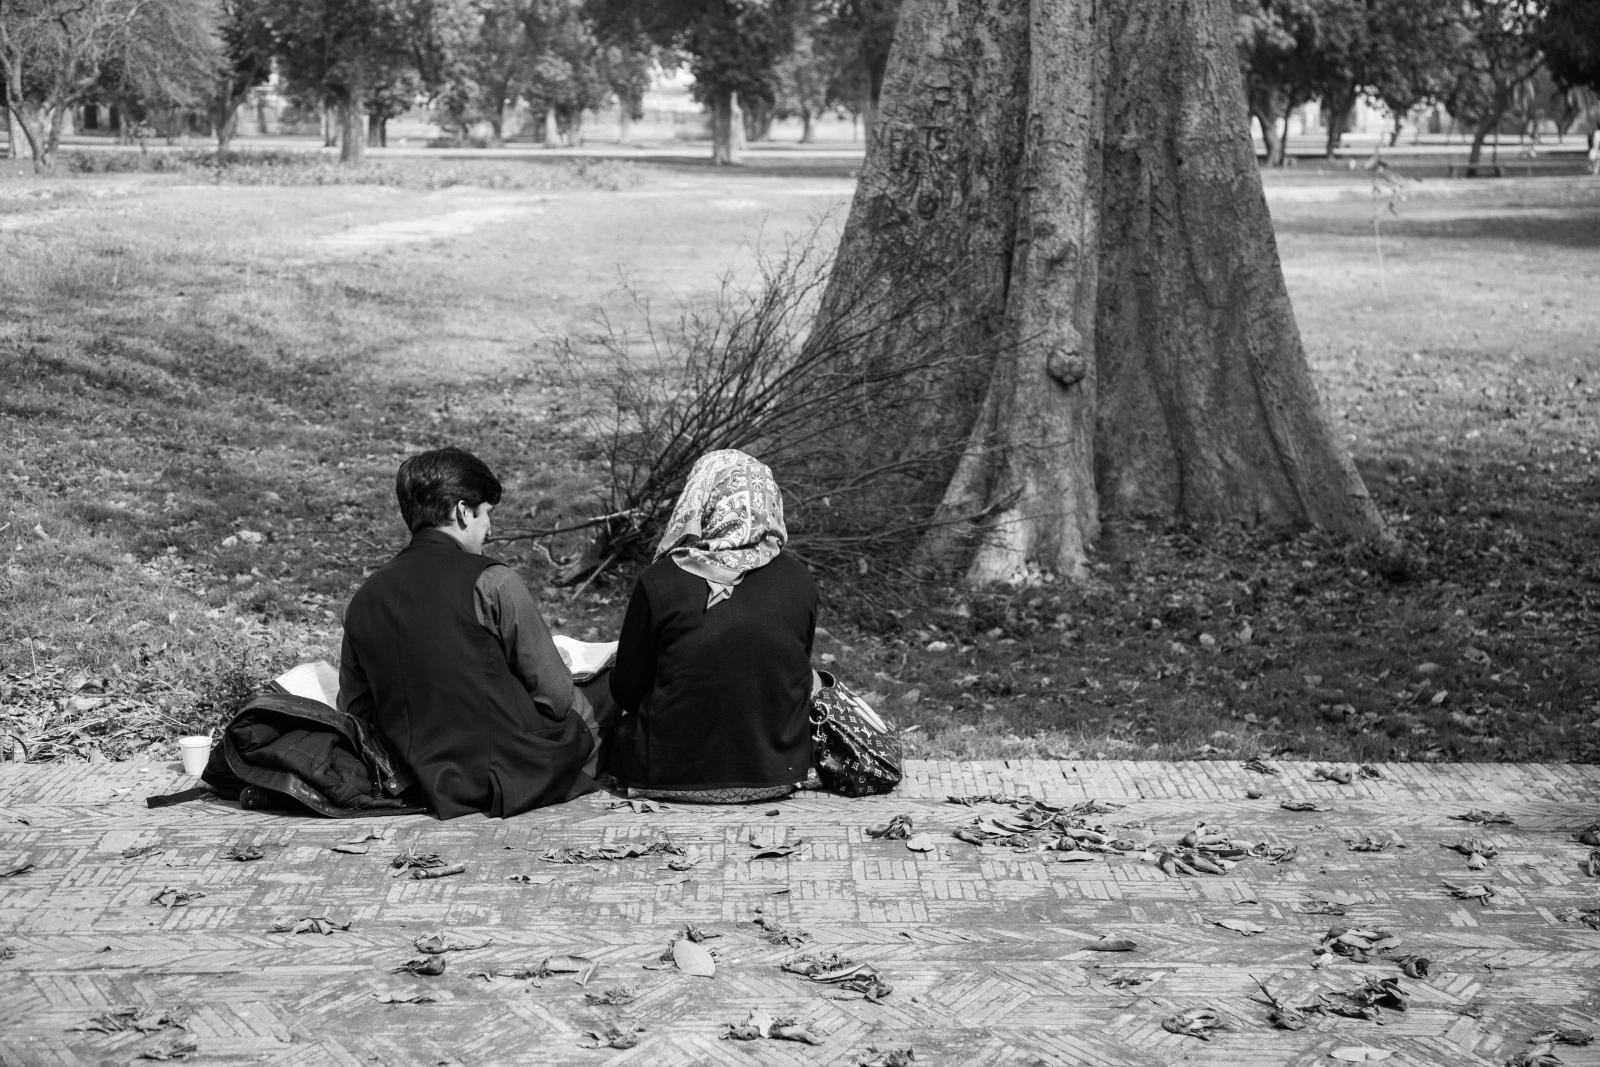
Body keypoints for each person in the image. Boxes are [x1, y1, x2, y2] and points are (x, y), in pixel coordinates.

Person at [338, 447, 598, 819]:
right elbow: (555, 698)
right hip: (504, 777)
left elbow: (355, 711)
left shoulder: (361, 600)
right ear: (463, 511)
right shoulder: (492, 581)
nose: (490, 528)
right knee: (589, 700)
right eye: (487, 513)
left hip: (411, 778)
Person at [606, 449, 818, 803]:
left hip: (664, 775)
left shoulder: (659, 580)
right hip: (778, 772)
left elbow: (627, 691)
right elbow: (792, 673)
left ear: (699, 500)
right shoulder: (800, 580)